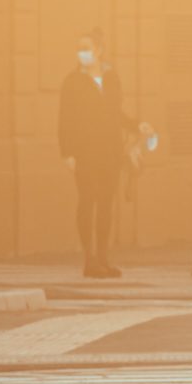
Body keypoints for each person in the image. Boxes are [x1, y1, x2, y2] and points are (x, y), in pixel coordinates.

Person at [59, 32, 129, 279]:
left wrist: (135, 125)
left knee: (106, 205)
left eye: (86, 47)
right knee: (88, 201)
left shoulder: (111, 78)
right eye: (79, 48)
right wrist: (67, 152)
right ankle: (89, 260)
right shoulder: (73, 81)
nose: (82, 52)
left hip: (110, 151)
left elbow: (115, 112)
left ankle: (102, 258)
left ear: (99, 50)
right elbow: (65, 117)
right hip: (84, 151)